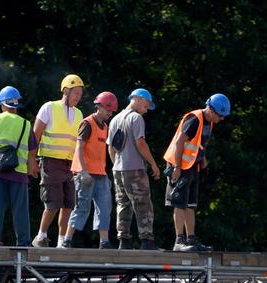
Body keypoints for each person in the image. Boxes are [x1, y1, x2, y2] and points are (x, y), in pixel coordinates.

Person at [163, 93, 231, 252]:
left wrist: (203, 158)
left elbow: (198, 143)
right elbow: (180, 142)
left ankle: (191, 239)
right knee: (179, 202)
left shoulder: (209, 122)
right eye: (221, 115)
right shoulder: (194, 119)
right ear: (212, 110)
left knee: (190, 204)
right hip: (179, 166)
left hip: (192, 166)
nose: (222, 119)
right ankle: (179, 241)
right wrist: (177, 168)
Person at [31, 74, 84, 248]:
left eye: (80, 94)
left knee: (68, 203)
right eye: (76, 93)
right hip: (50, 161)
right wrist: (31, 161)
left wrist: (78, 166)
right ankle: (41, 236)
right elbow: (35, 135)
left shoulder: (79, 114)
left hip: (69, 165)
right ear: (66, 91)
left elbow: (78, 143)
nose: (78, 97)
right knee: (53, 202)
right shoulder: (49, 107)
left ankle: (62, 241)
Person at [0, 86, 38, 246]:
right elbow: (33, 149)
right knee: (20, 210)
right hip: (19, 173)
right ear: (16, 104)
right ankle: (24, 242)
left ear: (2, 104)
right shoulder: (26, 124)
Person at [61, 92, 118, 249]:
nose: (109, 114)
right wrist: (83, 171)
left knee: (105, 207)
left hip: (101, 174)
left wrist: (107, 174)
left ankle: (104, 242)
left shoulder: (105, 127)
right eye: (108, 110)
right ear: (98, 107)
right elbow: (79, 147)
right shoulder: (87, 123)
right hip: (85, 174)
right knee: (81, 207)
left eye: (112, 111)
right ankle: (67, 239)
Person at [106, 88, 161, 250]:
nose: (146, 110)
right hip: (135, 169)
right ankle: (147, 241)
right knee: (143, 203)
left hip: (118, 169)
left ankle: (124, 241)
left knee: (123, 204)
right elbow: (141, 143)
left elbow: (111, 148)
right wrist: (153, 164)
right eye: (146, 105)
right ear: (137, 99)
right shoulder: (136, 118)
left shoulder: (115, 119)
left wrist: (116, 164)